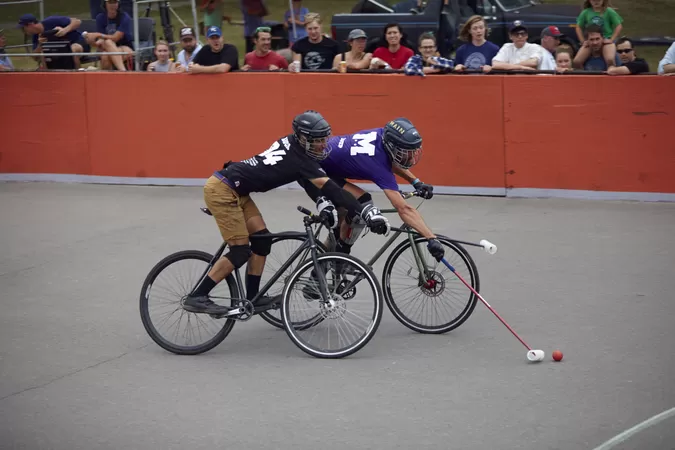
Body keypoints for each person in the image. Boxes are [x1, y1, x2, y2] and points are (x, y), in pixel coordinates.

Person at [183, 111, 391, 315]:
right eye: (317, 141)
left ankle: (254, 298)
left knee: (262, 242)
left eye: (324, 139)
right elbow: (333, 190)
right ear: (302, 138)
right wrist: (365, 212)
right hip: (223, 190)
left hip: (236, 188)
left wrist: (321, 203)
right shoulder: (300, 159)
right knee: (240, 251)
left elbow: (306, 179)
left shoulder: (293, 145)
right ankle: (198, 296)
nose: (322, 145)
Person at [297, 117, 445, 263]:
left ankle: (326, 268)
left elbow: (389, 161)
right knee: (363, 203)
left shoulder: (384, 136)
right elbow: (403, 209)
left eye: (413, 151)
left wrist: (416, 182)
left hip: (328, 169)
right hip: (314, 172)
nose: (411, 157)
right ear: (392, 147)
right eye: (406, 152)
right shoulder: (377, 163)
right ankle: (341, 259)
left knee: (342, 226)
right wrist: (430, 238)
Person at [574, 0, 622, 69]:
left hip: (606, 39)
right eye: (593, 0)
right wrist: (582, 41)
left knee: (610, 59)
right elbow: (578, 27)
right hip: (591, 40)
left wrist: (611, 39)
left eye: (598, 0)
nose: (596, 2)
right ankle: (583, 75)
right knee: (577, 61)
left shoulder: (609, 11)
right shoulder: (586, 12)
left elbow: (619, 26)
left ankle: (611, 73)